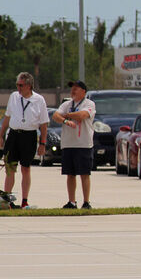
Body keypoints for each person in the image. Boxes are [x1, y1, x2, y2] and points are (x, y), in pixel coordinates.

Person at [0, 72, 49, 209]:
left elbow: (44, 124)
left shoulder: (39, 100)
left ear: (29, 85)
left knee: (26, 168)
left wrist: (43, 143)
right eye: (17, 85)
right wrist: (1, 135)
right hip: (14, 135)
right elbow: (7, 117)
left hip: (29, 136)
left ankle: (24, 201)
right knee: (10, 168)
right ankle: (7, 200)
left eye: (21, 85)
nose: (18, 88)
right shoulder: (14, 97)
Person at [52, 80, 96, 209]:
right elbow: (55, 116)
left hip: (83, 144)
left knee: (84, 174)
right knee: (70, 174)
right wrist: (65, 120)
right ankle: (71, 201)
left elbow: (82, 115)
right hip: (68, 144)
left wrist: (66, 115)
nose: (73, 91)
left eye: (76, 88)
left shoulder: (89, 103)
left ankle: (86, 202)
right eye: (72, 88)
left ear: (83, 92)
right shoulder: (67, 104)